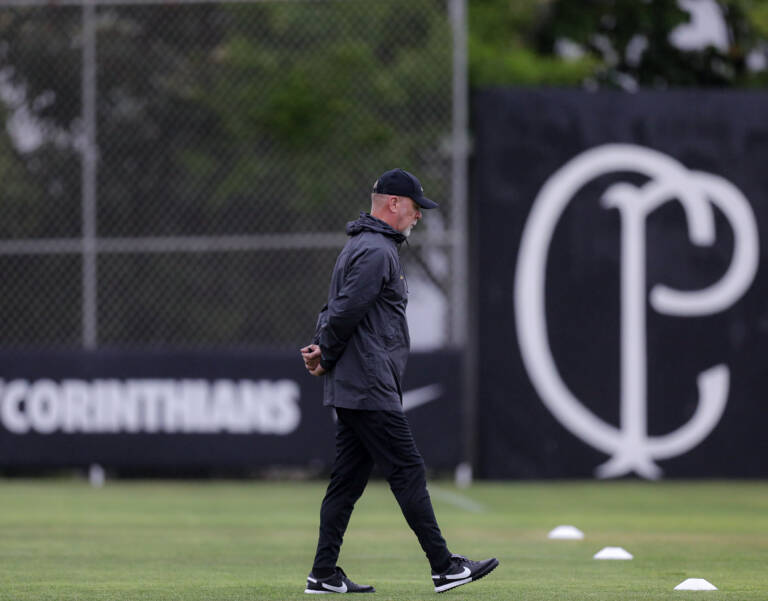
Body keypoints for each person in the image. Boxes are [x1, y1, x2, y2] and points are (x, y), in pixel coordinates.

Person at [300, 168, 498, 594]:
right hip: (369, 383)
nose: (418, 217)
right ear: (393, 203)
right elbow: (347, 309)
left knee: (347, 483)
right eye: (414, 207)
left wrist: (321, 348)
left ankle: (323, 573)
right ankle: (444, 566)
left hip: (354, 383)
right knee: (407, 469)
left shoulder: (360, 245)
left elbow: (332, 308)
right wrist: (326, 351)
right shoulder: (377, 251)